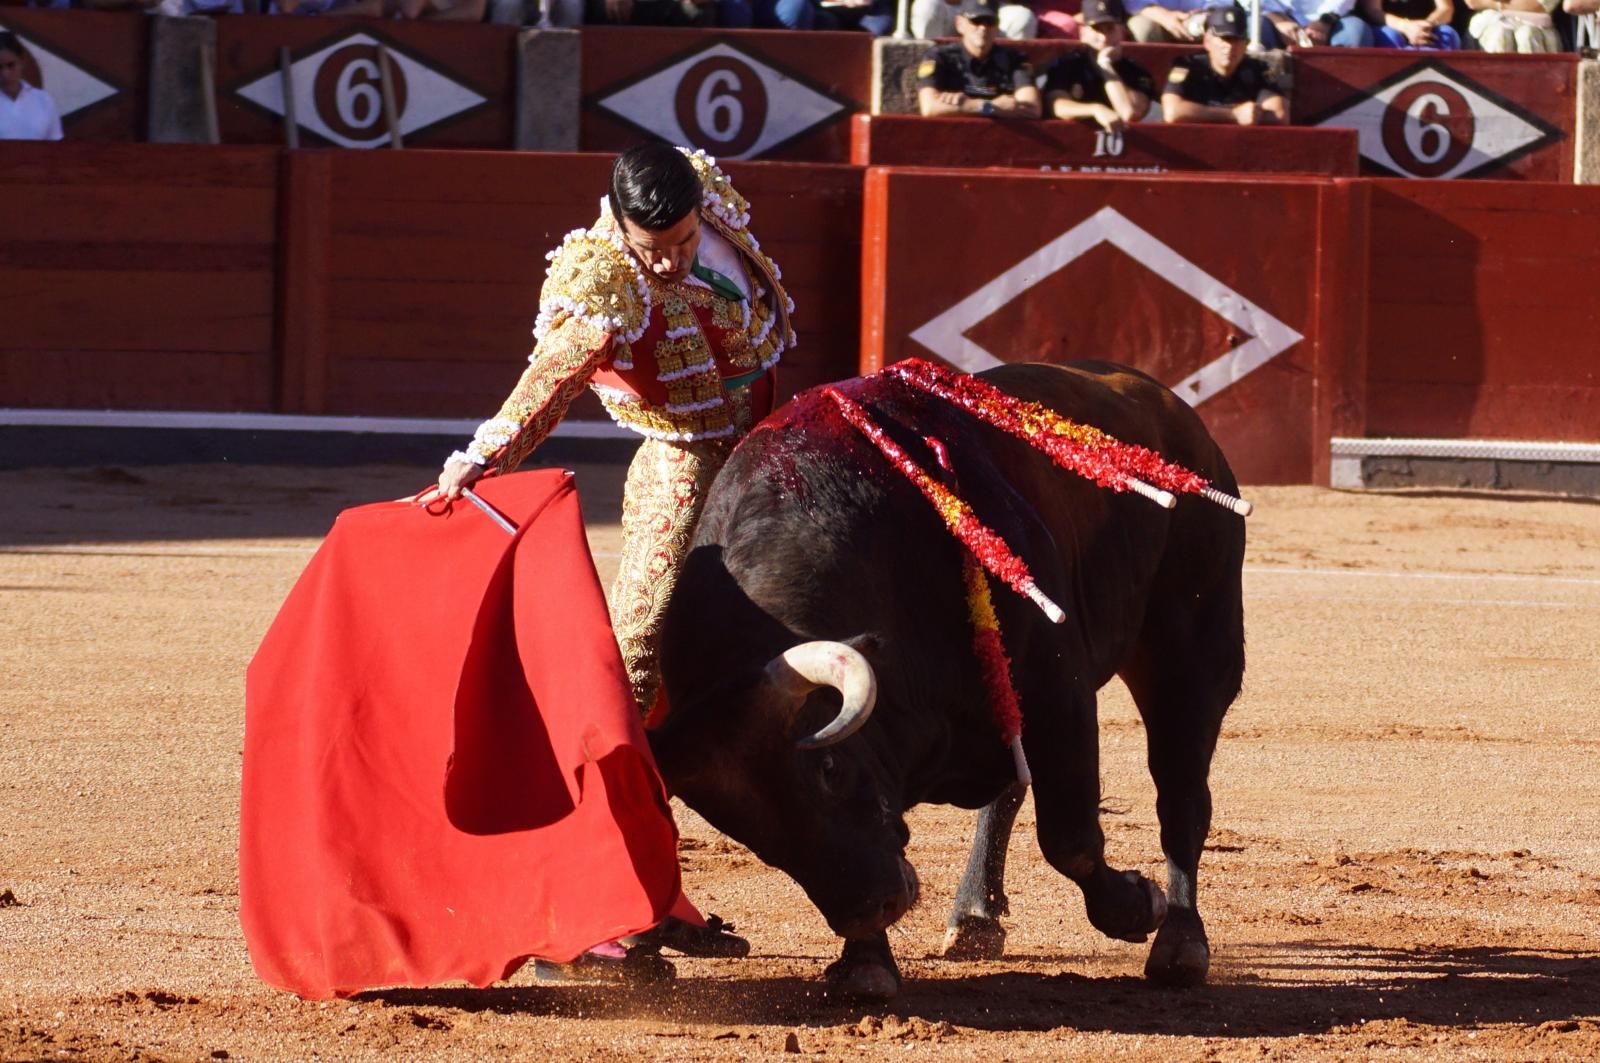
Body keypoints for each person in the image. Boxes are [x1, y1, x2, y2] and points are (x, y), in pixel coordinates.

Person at [1161, 5, 1288, 126]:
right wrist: (1233, 115)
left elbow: (1279, 114)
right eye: (1224, 38)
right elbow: (1172, 112)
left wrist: (1252, 114)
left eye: (1236, 40)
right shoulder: (1187, 65)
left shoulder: (1257, 69)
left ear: (1245, 44)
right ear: (1207, 41)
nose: (1229, 46)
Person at [915, 0, 1042, 119]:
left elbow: (1031, 108)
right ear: (960, 24)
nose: (983, 28)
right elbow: (929, 107)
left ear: (997, 26)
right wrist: (989, 107)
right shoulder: (940, 56)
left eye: (990, 22)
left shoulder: (1014, 59)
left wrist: (964, 105)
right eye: (976, 21)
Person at [1042, 0, 1153, 133]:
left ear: (1122, 31)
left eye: (1110, 29)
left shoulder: (1134, 69)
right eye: (1097, 29)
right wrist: (1095, 109)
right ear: (1083, 32)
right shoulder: (1068, 64)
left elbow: (1129, 112)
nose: (1103, 37)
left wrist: (1105, 66)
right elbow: (1057, 105)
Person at [0, 33, 62, 142]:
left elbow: (55, 146)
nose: (5, 73)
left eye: (11, 65)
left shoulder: (44, 101)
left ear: (22, 61)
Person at [1259, 0, 1375, 43]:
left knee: (1355, 32)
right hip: (1271, 15)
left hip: (1331, 17)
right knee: (1256, 29)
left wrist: (1325, 21)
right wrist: (1277, 20)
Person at [1462, 0, 1562, 51]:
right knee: (1500, 35)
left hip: (1538, 30)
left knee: (1527, 35)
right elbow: (1473, 2)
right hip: (1490, 26)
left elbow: (1539, 6)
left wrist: (1495, 4)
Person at [913, 0, 1039, 38]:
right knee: (927, 6)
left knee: (1021, 17)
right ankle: (931, 72)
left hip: (992, 8)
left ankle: (1008, 80)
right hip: (950, 8)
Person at [1360, 0, 1462, 46]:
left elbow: (1445, 9)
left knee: (1447, 35)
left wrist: (1426, 25)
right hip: (1391, 25)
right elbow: (1373, 10)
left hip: (1425, 26)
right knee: (1392, 37)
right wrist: (1406, 27)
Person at [1123, 0, 1218, 41]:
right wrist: (1164, 16)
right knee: (1142, 29)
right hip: (1156, 18)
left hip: (1198, 18)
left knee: (1222, 25)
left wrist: (1202, 16)